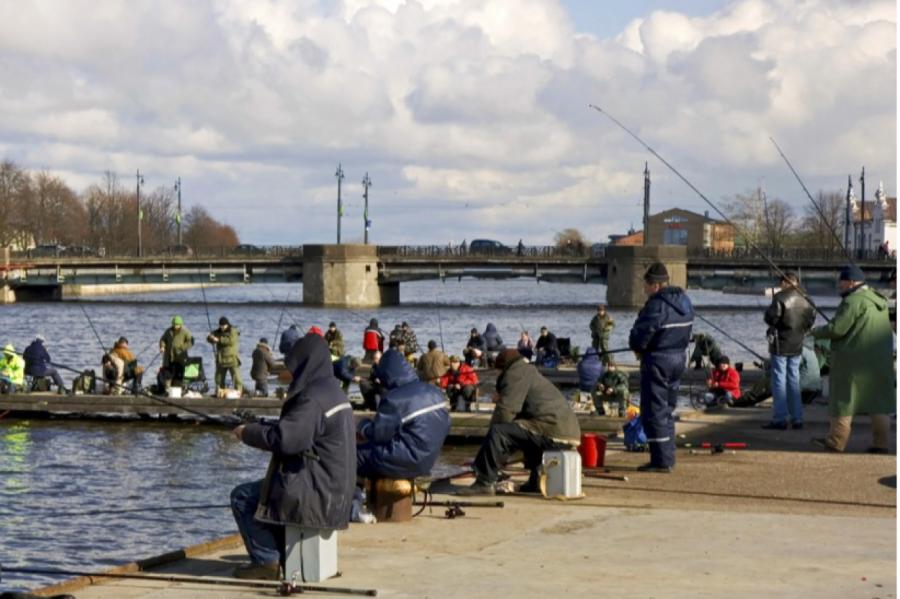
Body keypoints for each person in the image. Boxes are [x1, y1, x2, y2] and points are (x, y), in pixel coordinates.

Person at [230, 333, 355, 580]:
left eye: (296, 368)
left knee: (243, 497)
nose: (293, 374)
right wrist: (264, 425)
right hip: (336, 488)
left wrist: (247, 433)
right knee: (267, 489)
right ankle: (281, 555)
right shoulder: (334, 392)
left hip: (316, 492)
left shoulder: (312, 398)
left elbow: (287, 441)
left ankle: (267, 561)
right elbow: (300, 430)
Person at [458, 348, 581, 495]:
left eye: (498, 371)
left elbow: (505, 412)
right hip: (566, 430)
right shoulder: (527, 371)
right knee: (524, 429)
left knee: (499, 431)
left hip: (554, 430)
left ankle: (484, 482)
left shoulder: (514, 375)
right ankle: (535, 481)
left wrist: (490, 439)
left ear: (503, 367)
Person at [811, 265, 894, 453]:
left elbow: (837, 329)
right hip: (880, 362)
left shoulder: (853, 301)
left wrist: (815, 332)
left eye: (842, 281)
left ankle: (835, 442)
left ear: (851, 282)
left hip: (853, 361)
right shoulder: (878, 300)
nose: (840, 285)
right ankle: (881, 444)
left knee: (843, 401)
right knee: (878, 404)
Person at [628, 262, 693, 473]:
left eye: (646, 285)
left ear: (655, 285)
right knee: (667, 409)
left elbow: (640, 336)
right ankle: (668, 456)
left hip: (657, 360)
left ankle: (661, 461)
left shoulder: (656, 305)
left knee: (653, 410)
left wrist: (637, 346)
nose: (644, 290)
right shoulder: (684, 301)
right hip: (679, 358)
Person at [356, 349, 451, 480]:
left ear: (387, 376)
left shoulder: (394, 399)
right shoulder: (436, 392)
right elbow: (447, 424)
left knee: (354, 455)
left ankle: (355, 497)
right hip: (428, 461)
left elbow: (379, 434)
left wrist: (363, 426)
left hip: (407, 461)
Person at [762, 271, 816, 430]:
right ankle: (797, 418)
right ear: (796, 282)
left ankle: (780, 418)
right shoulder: (807, 299)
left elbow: (771, 318)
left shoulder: (780, 298)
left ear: (784, 283)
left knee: (779, 380)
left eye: (781, 283)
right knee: (794, 379)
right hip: (797, 342)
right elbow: (810, 320)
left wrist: (769, 315)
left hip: (781, 343)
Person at [159, 316, 194, 391]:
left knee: (179, 374)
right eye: (174, 324)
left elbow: (191, 341)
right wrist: (162, 346)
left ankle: (178, 389)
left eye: (177, 325)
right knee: (168, 373)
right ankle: (167, 389)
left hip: (180, 356)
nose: (175, 326)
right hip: (169, 357)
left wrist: (182, 348)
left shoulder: (185, 331)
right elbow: (163, 339)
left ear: (180, 324)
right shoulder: (168, 331)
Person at [208, 316, 242, 394]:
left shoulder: (233, 331)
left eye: (223, 326)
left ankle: (239, 392)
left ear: (227, 324)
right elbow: (209, 338)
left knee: (237, 378)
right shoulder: (218, 331)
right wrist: (211, 337)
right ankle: (219, 392)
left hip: (232, 359)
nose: (222, 327)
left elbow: (231, 341)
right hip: (221, 360)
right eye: (220, 326)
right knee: (219, 379)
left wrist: (218, 340)